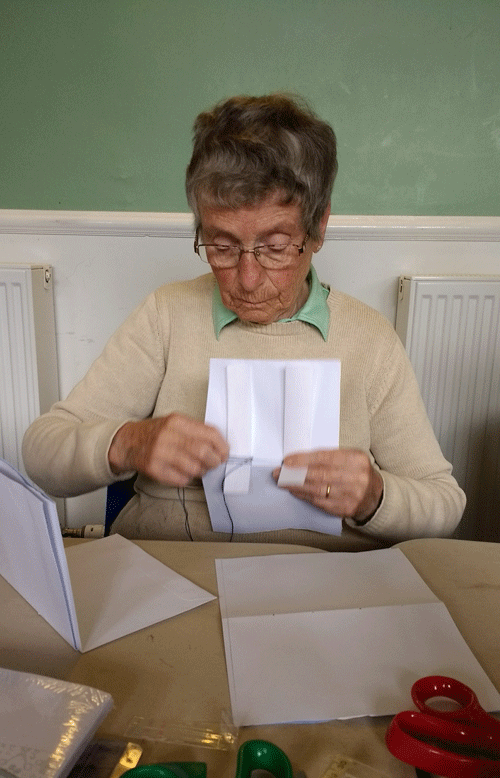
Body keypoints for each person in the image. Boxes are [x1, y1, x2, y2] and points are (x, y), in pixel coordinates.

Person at [22, 93, 465, 550]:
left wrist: (374, 497)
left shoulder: (368, 339)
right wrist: (129, 443)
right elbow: (41, 451)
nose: (248, 278)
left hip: (324, 575)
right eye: (222, 246)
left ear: (318, 227)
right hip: (173, 565)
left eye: (275, 247)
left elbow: (443, 502)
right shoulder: (167, 315)